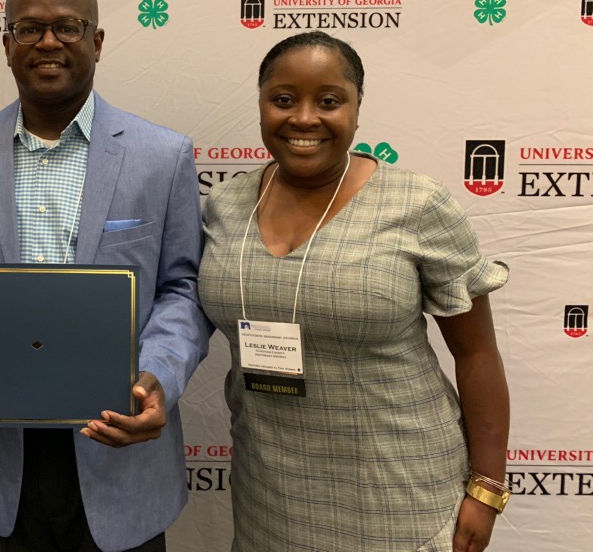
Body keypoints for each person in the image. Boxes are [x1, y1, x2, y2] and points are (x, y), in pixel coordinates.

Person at [0, 0, 213, 552]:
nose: (48, 42)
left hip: (116, 440)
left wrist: (158, 375)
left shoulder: (162, 155)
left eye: (68, 27)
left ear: (96, 42)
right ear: (6, 46)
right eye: (29, 29)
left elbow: (182, 286)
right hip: (1, 449)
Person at [198, 31, 510, 552]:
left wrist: (488, 486)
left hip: (400, 490)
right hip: (269, 495)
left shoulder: (418, 204)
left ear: (357, 109)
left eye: (328, 101)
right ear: (260, 105)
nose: (303, 118)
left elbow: (476, 352)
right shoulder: (226, 205)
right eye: (282, 100)